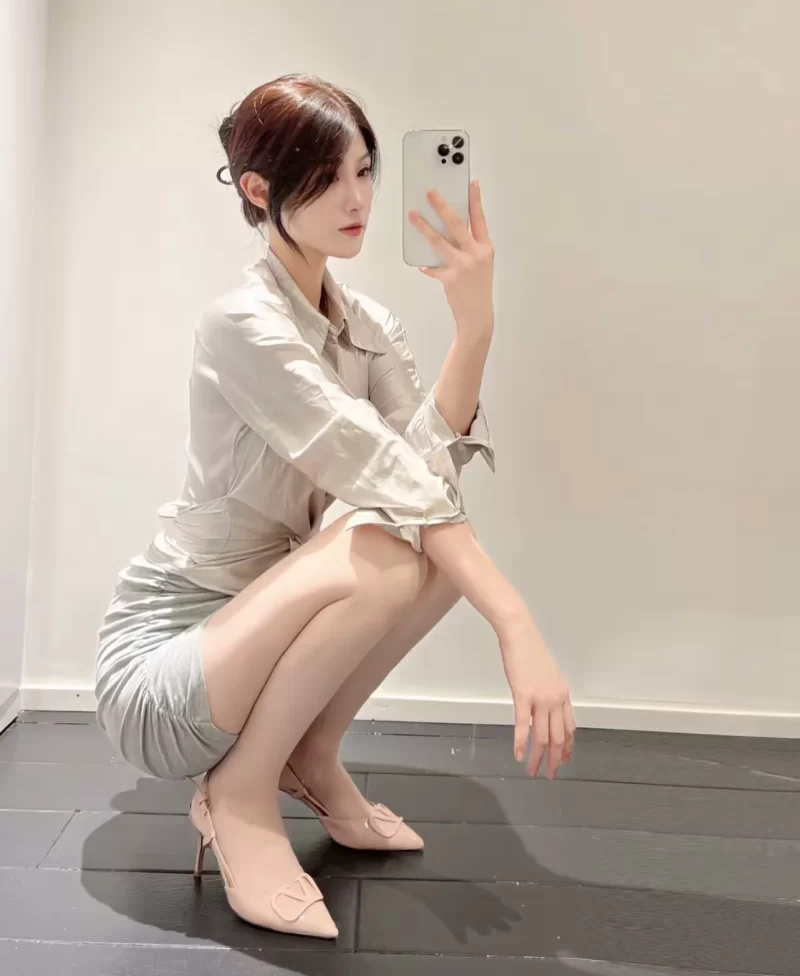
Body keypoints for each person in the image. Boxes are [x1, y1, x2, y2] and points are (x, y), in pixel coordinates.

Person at [94, 74, 576, 940]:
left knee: (424, 549)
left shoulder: (369, 325)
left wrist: (474, 328)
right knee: (390, 541)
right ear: (258, 190)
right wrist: (514, 622)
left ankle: (308, 755)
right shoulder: (242, 324)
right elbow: (384, 474)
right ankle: (239, 793)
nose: (356, 200)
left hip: (262, 631)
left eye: (363, 171)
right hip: (168, 673)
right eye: (325, 179)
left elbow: (430, 474)